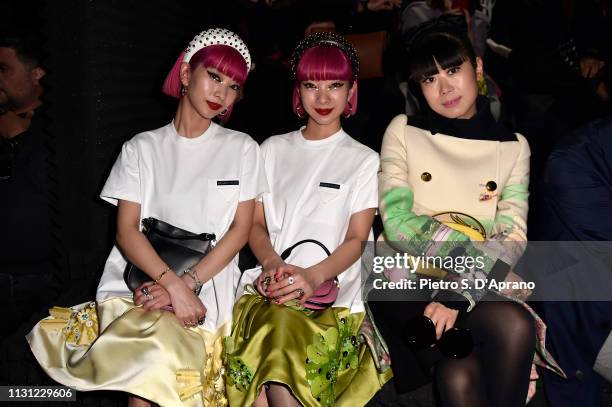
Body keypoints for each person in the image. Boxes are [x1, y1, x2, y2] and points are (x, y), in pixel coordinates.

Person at [27, 27, 267, 407]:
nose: (222, 93)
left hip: (211, 288)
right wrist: (172, 285)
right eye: (214, 77)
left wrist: (187, 285)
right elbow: (126, 232)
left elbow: (240, 231)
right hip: (141, 283)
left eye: (234, 86)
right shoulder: (141, 147)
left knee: (167, 374)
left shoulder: (243, 148)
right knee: (145, 371)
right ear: (187, 74)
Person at [368, 19, 563, 406]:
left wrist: (461, 290)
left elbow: (511, 234)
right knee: (468, 355)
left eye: (453, 70)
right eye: (429, 78)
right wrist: (491, 271)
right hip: (408, 277)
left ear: (476, 68)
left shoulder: (513, 146)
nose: (444, 88)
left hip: (472, 287)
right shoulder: (404, 130)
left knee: (510, 328)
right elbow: (398, 224)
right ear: (417, 88)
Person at [225, 32, 391, 407]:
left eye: (335, 85)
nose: (323, 97)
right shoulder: (271, 149)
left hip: (334, 300)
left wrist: (312, 277)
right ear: (297, 91)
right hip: (269, 286)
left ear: (351, 91)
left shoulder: (364, 159)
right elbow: (254, 223)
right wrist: (272, 264)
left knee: (278, 357)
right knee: (266, 355)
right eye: (311, 85)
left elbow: (356, 239)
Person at [0, 30, 57, 338]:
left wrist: (20, 138)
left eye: (4, 70)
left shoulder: (57, 125)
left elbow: (60, 193)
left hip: (38, 281)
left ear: (36, 74)